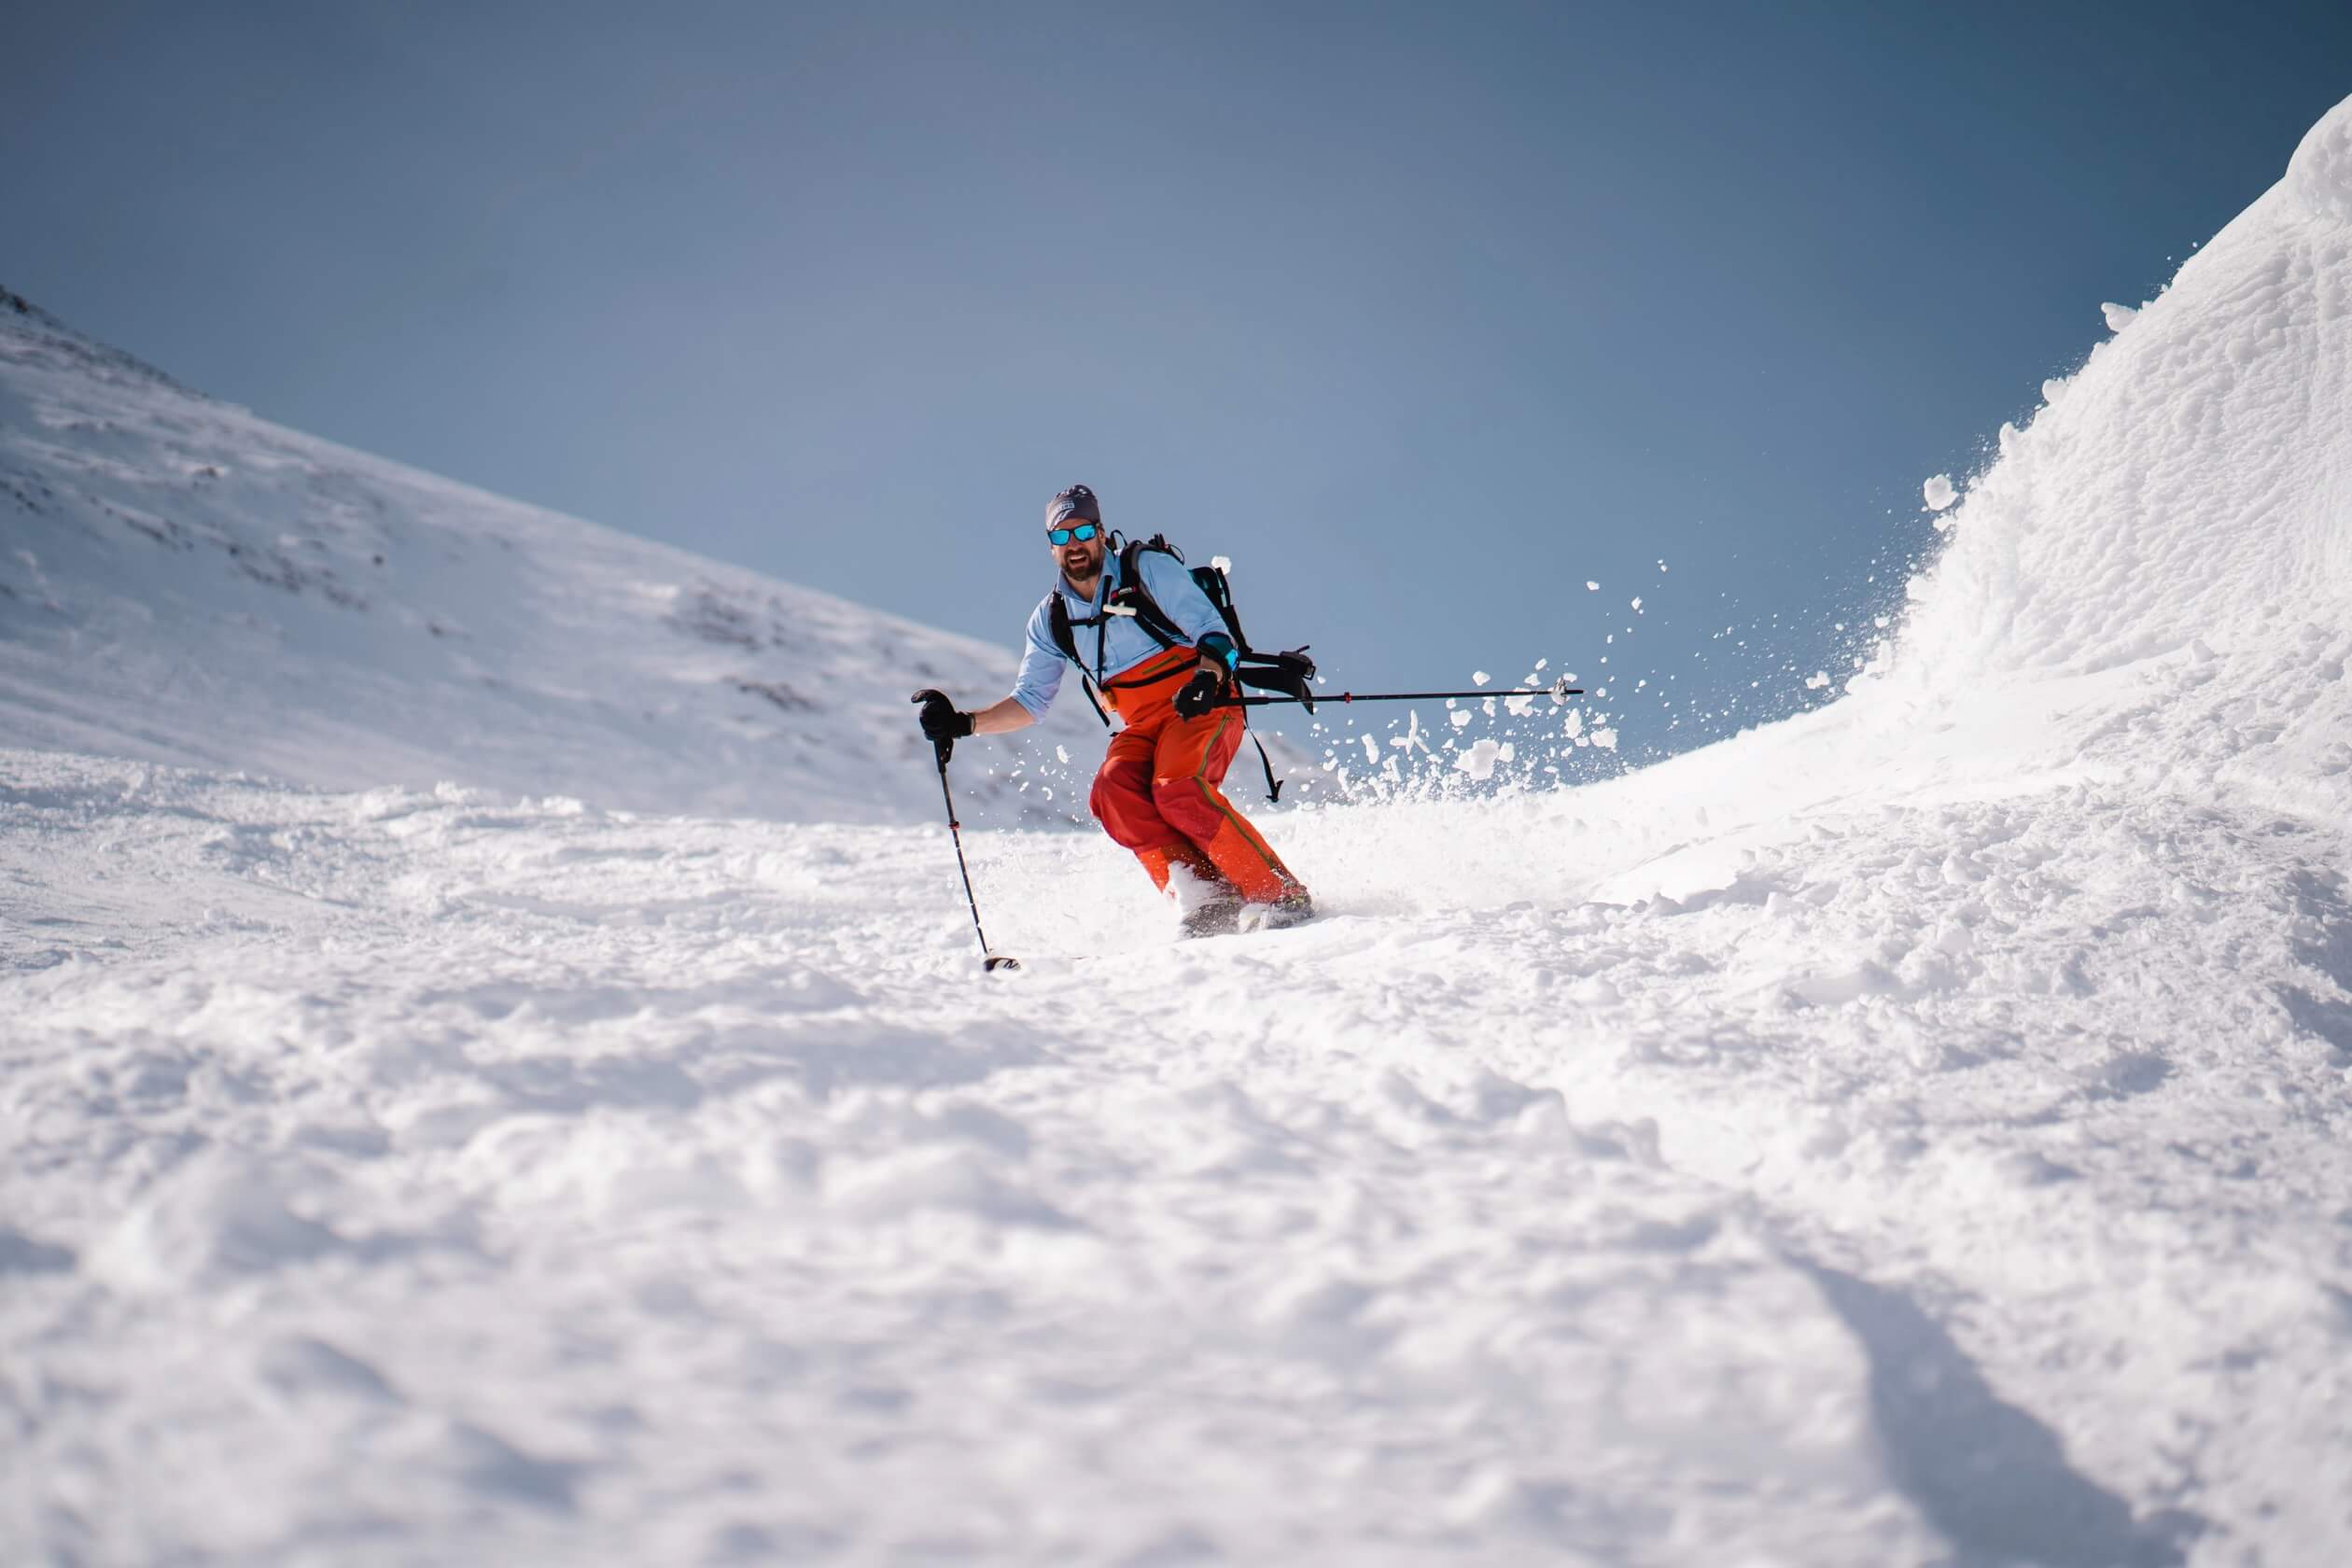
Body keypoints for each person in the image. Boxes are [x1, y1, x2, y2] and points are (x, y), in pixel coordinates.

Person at [914, 483, 1312, 935]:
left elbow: (1212, 632)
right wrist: (964, 724)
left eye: (1082, 531)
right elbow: (1030, 702)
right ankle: (1208, 897)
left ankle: (1280, 895)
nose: (1074, 545)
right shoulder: (1052, 618)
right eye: (1061, 537)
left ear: (1101, 533)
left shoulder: (1147, 570)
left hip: (1203, 701)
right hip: (1143, 721)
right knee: (1113, 791)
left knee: (1177, 786)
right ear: (1050, 549)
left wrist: (1206, 678)